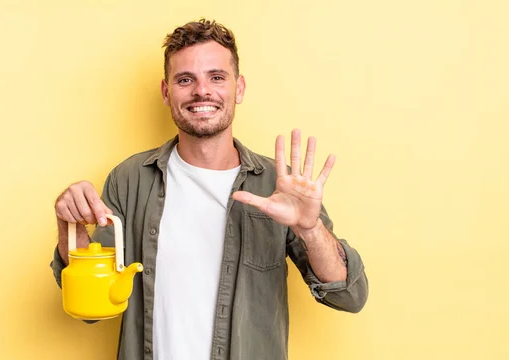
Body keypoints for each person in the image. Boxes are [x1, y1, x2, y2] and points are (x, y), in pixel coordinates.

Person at [50, 19, 368, 360]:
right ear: (165, 91)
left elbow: (348, 295)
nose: (202, 91)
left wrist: (310, 228)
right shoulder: (129, 179)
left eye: (216, 77)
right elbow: (92, 304)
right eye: (185, 79)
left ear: (239, 88)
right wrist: (72, 227)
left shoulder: (279, 186)